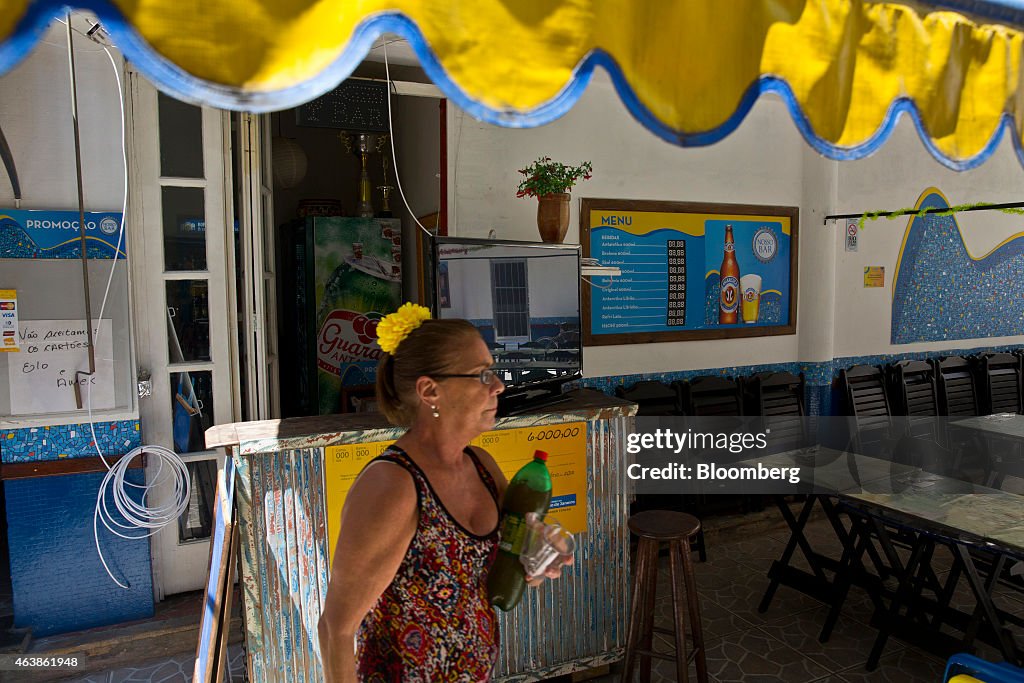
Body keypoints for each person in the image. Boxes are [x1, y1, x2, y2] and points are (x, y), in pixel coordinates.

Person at [318, 303, 569, 682]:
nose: (498, 385)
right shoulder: (393, 485)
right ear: (430, 390)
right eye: (481, 375)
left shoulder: (481, 466)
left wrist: (540, 554)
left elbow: (512, 560)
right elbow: (335, 630)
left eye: (494, 371)